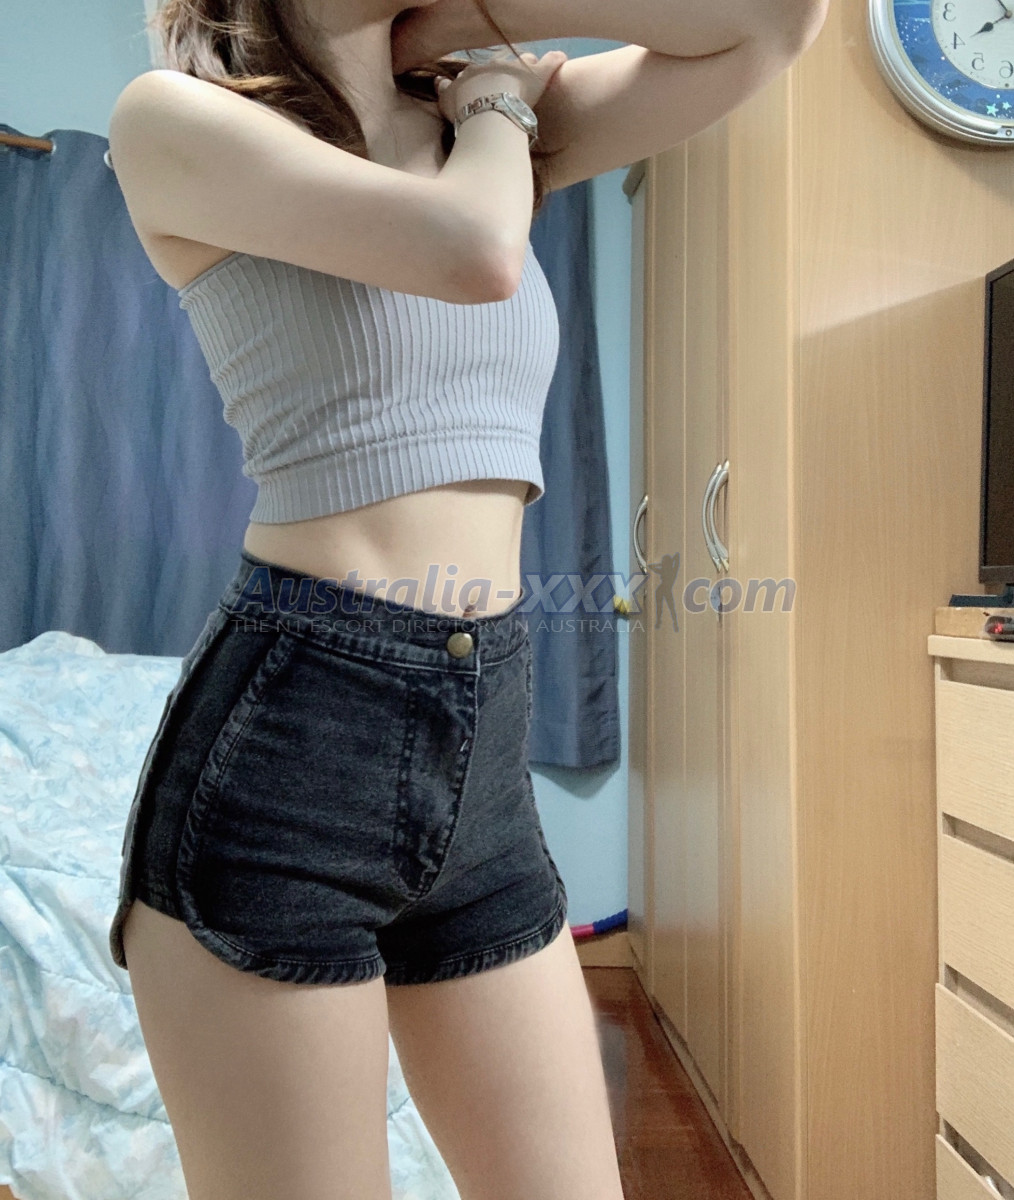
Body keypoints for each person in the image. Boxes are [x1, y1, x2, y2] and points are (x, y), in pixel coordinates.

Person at [104, 0, 826, 1195]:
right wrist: (497, 96)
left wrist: (486, 25)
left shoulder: (473, 125)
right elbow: (473, 253)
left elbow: (773, 26)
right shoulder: (177, 122)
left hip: (483, 748)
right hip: (291, 756)